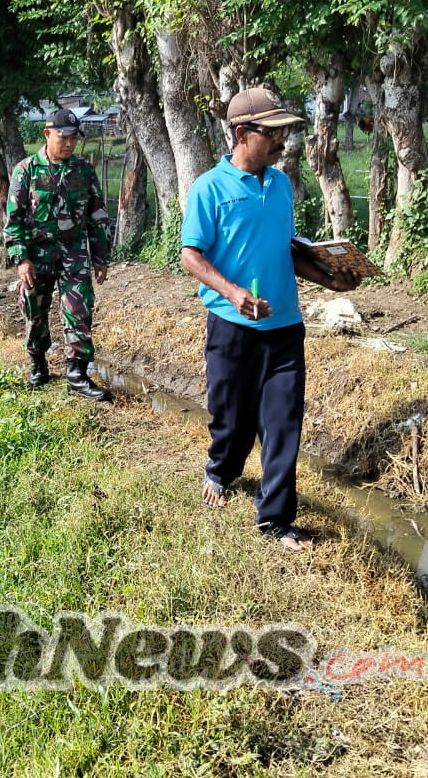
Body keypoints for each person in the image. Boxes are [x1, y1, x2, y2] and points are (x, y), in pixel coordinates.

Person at [180, 86, 361, 553]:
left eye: (285, 132)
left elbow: (284, 252)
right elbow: (190, 256)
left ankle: (276, 519)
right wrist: (233, 292)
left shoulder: (280, 185)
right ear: (242, 134)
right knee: (232, 419)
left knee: (283, 424)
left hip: (284, 327)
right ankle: (221, 470)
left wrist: (329, 280)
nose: (282, 142)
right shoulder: (209, 188)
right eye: (273, 133)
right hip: (231, 326)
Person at [3, 107, 114, 401]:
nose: (68, 143)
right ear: (47, 134)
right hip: (37, 256)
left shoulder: (83, 171)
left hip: (74, 253)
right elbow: (13, 220)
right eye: (63, 137)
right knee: (34, 310)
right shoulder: (26, 170)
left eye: (74, 138)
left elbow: (97, 216)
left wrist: (101, 257)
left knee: (79, 310)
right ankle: (38, 364)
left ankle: (76, 373)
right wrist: (22, 259)